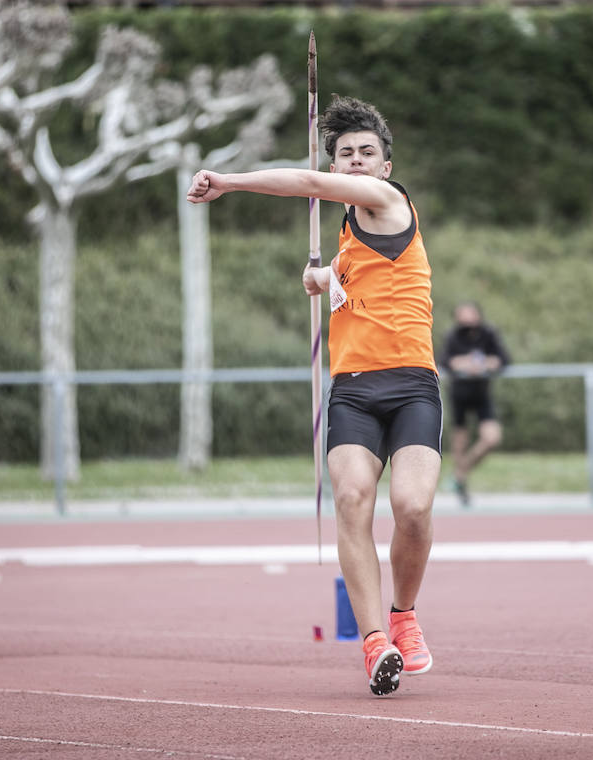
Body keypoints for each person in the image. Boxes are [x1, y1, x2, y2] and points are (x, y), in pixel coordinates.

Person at [188, 95, 437, 696]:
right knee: (353, 499)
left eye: (365, 154)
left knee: (412, 507)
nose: (354, 163)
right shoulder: (353, 235)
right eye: (344, 154)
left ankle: (403, 614)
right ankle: (375, 641)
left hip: (410, 386)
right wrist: (324, 278)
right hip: (351, 390)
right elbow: (361, 278)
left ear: (383, 165)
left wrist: (229, 181)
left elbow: (303, 180)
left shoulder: (388, 200)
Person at [441, 301, 509, 507]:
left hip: (481, 394)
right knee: (459, 444)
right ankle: (462, 487)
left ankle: (460, 473)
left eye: (470, 314)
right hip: (459, 395)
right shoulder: (453, 336)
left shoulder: (488, 333)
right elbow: (445, 361)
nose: (466, 319)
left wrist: (487, 363)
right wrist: (462, 364)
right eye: (462, 314)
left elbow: (503, 359)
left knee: (492, 438)